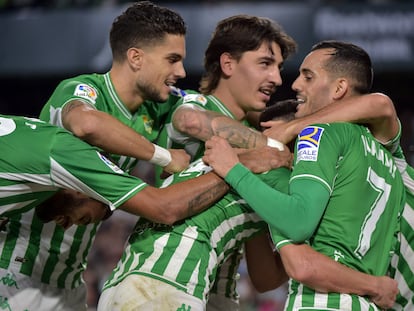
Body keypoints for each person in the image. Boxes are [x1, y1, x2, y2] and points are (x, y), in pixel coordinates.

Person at [0, 2, 195, 310]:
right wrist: (163, 156)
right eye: (172, 59)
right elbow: (86, 123)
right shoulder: (83, 90)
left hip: (72, 278)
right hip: (20, 270)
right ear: (135, 57)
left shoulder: (157, 106)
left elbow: (204, 113)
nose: (182, 71)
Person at [202, 40, 406, 310]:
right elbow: (381, 105)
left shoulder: (317, 134)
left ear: (339, 88)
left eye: (308, 76)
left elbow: (300, 241)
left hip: (321, 303)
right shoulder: (387, 158)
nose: (295, 84)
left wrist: (234, 169)